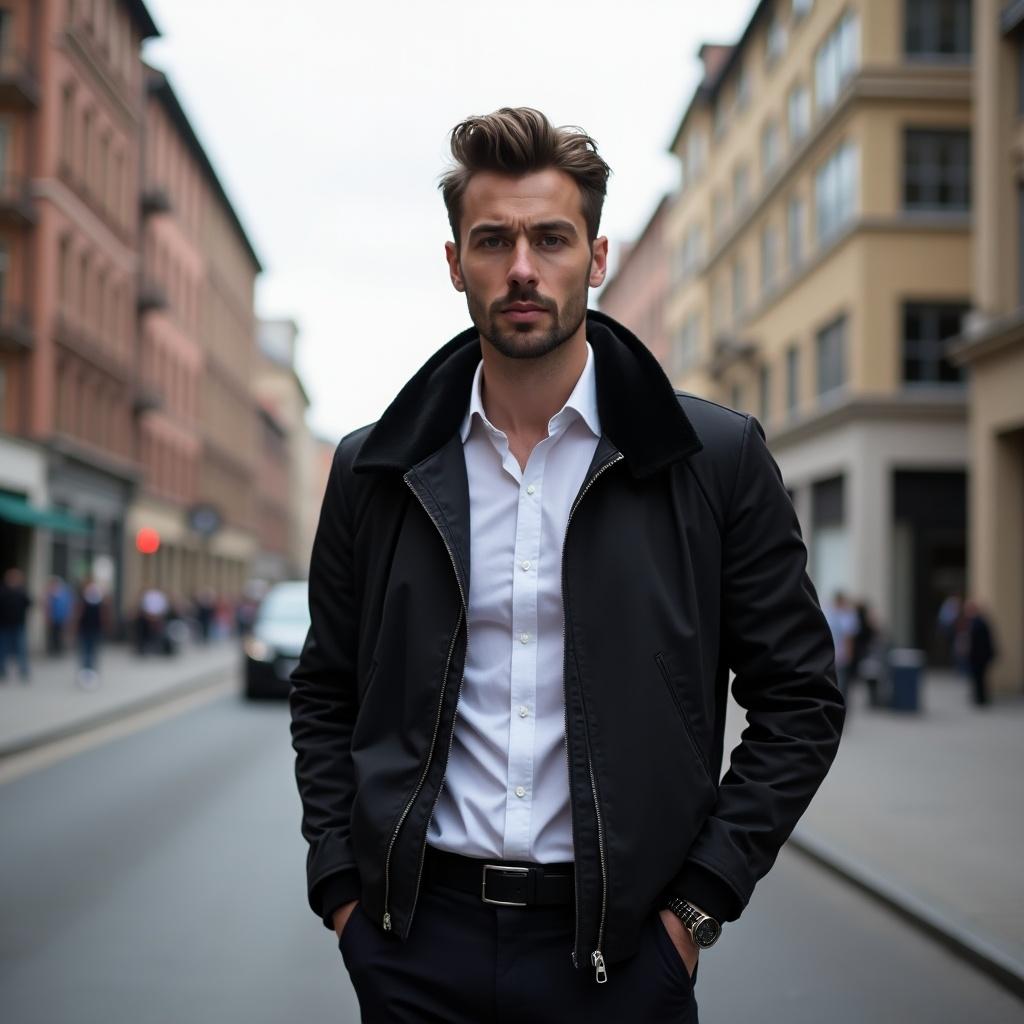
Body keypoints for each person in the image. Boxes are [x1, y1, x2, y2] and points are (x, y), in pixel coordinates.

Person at [289, 107, 844, 1023]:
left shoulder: (713, 458)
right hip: (415, 949)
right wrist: (343, 893)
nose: (520, 268)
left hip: (622, 959)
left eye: (551, 239)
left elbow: (801, 701)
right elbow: (325, 691)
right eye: (492, 240)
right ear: (454, 262)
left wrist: (696, 907)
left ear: (595, 258)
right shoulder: (374, 469)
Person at [960, 599, 997, 707]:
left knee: (979, 678)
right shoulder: (977, 622)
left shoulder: (978, 623)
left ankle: (981, 699)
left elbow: (979, 642)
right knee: (979, 678)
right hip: (979, 656)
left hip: (980, 657)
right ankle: (979, 698)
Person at [824, 590, 859, 704]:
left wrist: (849, 653)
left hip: (841, 654)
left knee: (842, 681)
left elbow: (849, 637)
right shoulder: (831, 613)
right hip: (833, 653)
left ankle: (841, 702)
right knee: (836, 680)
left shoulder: (847, 615)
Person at [0, 567, 33, 683]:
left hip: (19, 625)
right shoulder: (3, 591)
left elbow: (29, 603)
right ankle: (2, 671)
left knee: (21, 650)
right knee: (2, 650)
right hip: (4, 625)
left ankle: (24, 672)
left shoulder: (21, 591)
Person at [75, 576, 106, 689]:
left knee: (92, 653)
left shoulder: (99, 598)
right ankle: (85, 674)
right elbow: (79, 613)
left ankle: (92, 674)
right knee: (85, 652)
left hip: (95, 629)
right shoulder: (83, 598)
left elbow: (103, 614)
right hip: (85, 629)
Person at [45, 576, 73, 655]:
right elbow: (47, 607)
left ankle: (59, 649)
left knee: (60, 634)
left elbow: (68, 606)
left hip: (61, 618)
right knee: (53, 634)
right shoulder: (50, 594)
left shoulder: (64, 594)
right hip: (53, 618)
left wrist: (68, 617)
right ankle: (53, 649)